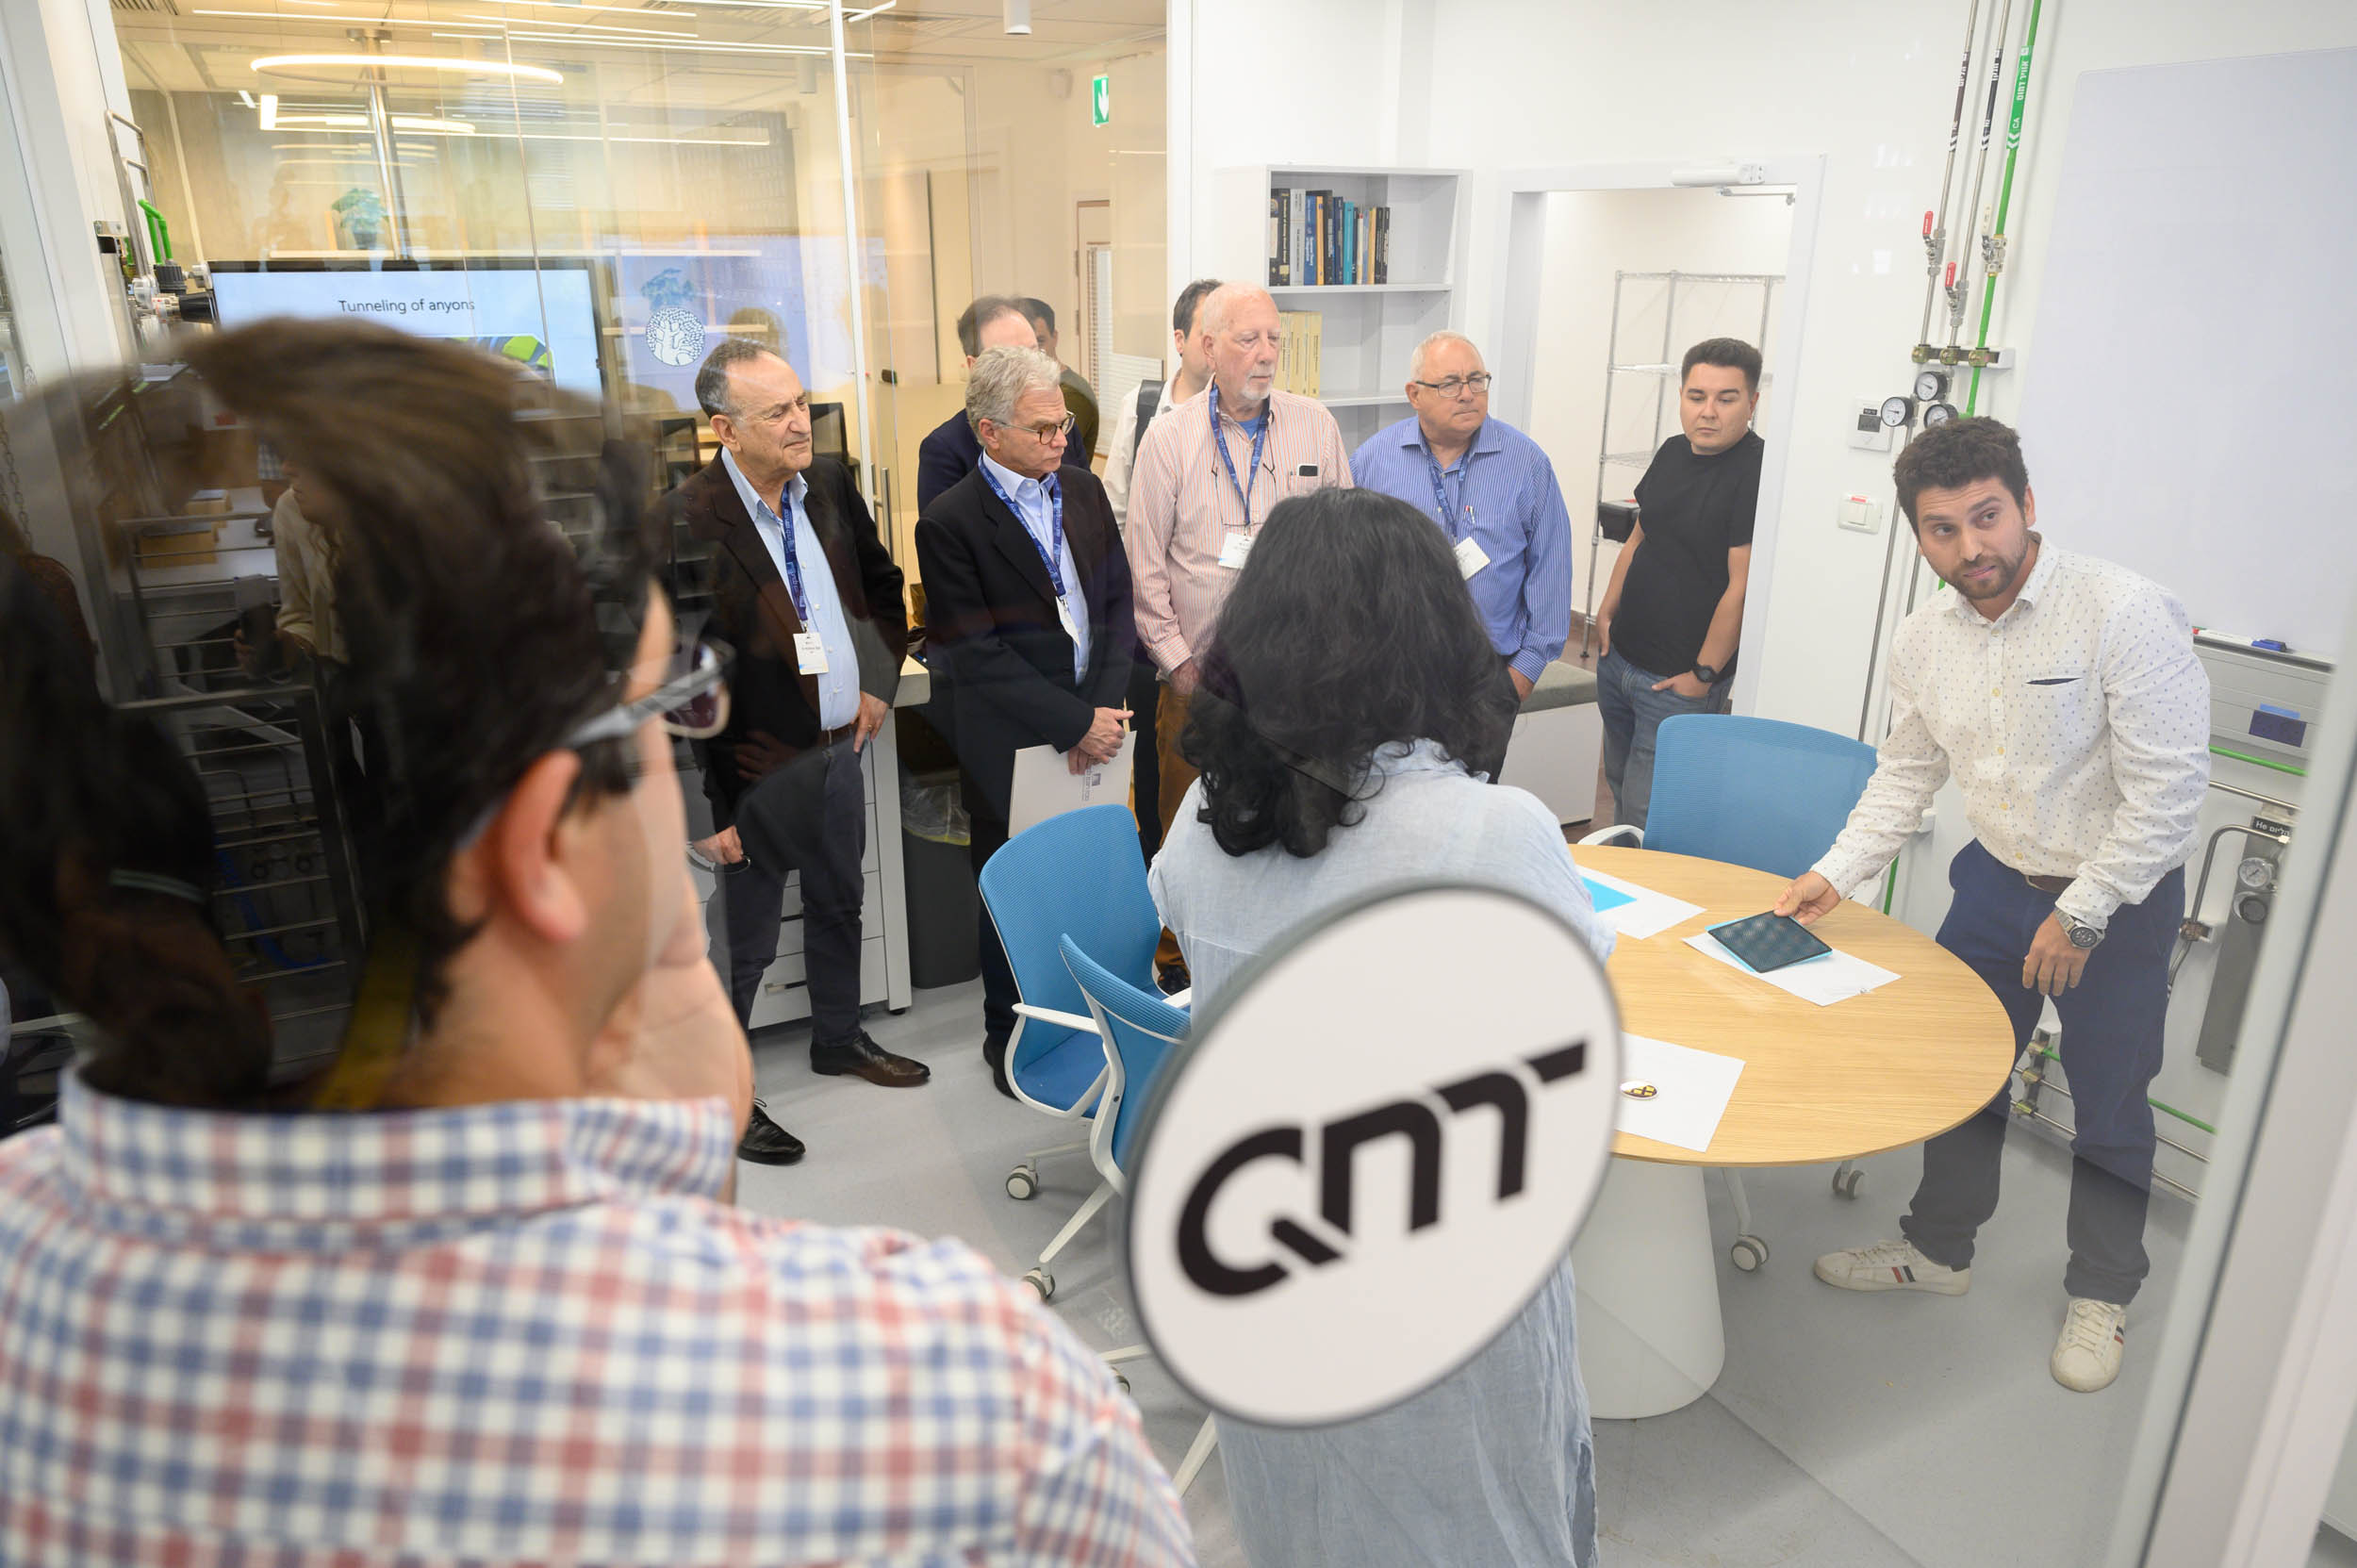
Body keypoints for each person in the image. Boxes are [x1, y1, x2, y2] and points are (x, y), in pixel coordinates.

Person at [0, 319, 1194, 1566]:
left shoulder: (30, 1247)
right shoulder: (962, 1394)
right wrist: (686, 1153)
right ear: (539, 845)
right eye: (671, 709)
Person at [1149, 486, 1607, 1567]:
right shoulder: (1487, 832)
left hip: (1262, 1255)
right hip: (1431, 1284)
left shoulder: (1204, 819)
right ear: (1433, 635)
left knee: (1299, 1516)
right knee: (1470, 1524)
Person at [1778, 416, 2209, 1395]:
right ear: (1918, 535)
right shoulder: (1923, 637)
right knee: (1961, 1072)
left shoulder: (2122, 611)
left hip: (2119, 901)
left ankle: (2102, 1290)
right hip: (1994, 883)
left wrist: (2084, 911)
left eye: (1987, 517)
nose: (1970, 547)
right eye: (1942, 528)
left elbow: (2169, 795)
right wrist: (1836, 871)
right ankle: (1939, 1249)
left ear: (2025, 505)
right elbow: (1908, 771)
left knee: (2109, 1102)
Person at [668, 338, 929, 1171]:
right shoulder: (683, 523)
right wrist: (700, 811)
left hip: (837, 749)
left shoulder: (830, 487)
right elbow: (666, 678)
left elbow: (883, 587)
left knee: (840, 899)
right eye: (776, 411)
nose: (799, 422)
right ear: (723, 429)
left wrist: (876, 681)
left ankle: (838, 1036)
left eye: (801, 404)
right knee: (741, 946)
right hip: (749, 777)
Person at [915, 347, 1134, 1097]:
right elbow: (977, 653)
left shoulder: (1084, 490)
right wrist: (1074, 723)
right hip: (1012, 745)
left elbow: (1116, 606)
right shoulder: (950, 522)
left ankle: (1093, 1025)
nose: (1061, 440)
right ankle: (1009, 1040)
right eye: (1043, 429)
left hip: (1098, 728)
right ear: (990, 431)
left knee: (1088, 884)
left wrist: (1101, 712)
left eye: (1064, 423)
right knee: (1015, 896)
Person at [1127, 281, 1352, 987]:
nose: (1265, 354)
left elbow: (1343, 548)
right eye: (1248, 339)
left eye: (1274, 339)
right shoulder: (1168, 438)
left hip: (1297, 686)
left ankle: (1275, 959)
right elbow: (1145, 572)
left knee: (1294, 826)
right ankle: (1178, 966)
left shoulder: (1316, 426)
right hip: (1199, 684)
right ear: (1208, 346)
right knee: (1186, 832)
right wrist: (1181, 669)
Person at [1593, 336, 1765, 828]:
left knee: (1651, 813)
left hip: (1677, 682)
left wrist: (1703, 676)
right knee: (1619, 786)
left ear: (1752, 402)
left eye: (1726, 399)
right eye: (1697, 396)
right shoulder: (1672, 451)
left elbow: (1742, 585)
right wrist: (1606, 611)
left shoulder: (1756, 471)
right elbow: (1639, 537)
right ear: (1682, 397)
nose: (1708, 412)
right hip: (1620, 659)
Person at [1349, 330, 1572, 701]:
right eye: (1450, 384)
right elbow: (1347, 570)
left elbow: (1552, 569)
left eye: (1476, 380)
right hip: (1392, 672)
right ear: (1414, 395)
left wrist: (1521, 677)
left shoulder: (1527, 464)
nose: (1467, 394)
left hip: (1490, 673)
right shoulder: (1372, 462)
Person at [1102, 274, 1219, 863]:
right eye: (1209, 334)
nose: (1221, 348)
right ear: (1180, 339)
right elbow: (1117, 510)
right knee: (1153, 763)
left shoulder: (1250, 417)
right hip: (1149, 631)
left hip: (1221, 637)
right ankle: (1157, 875)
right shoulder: (1144, 406)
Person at [915, 295, 1039, 509]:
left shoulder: (1062, 429)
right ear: (975, 367)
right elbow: (942, 528)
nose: (1032, 368)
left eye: (1035, 352)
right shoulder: (946, 449)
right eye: (1012, 360)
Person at [1019, 296, 1100, 466]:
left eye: (1039, 341)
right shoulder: (1024, 385)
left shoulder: (1073, 393)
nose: (1032, 351)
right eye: (1023, 344)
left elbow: (1055, 457)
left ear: (1054, 337)